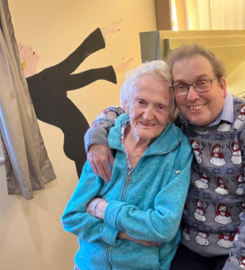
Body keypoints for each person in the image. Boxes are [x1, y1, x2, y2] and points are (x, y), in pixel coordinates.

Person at [85, 43, 245, 270]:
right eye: (181, 86)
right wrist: (96, 135)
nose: (191, 95)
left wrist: (238, 264)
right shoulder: (178, 115)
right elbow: (125, 110)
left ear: (222, 84)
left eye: (202, 83)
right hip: (193, 242)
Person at [62, 61, 192, 270]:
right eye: (141, 102)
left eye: (160, 107)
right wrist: (122, 233)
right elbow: (72, 217)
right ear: (127, 104)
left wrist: (102, 208)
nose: (148, 115)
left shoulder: (178, 152)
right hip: (89, 265)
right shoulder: (105, 146)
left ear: (170, 114)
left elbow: (163, 228)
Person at [19, 20, 132, 177]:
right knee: (92, 184)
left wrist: (109, 69)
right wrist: (101, 34)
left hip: (77, 141)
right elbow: (71, 63)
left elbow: (72, 79)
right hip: (79, 142)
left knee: (90, 184)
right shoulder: (40, 82)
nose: (29, 46)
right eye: (21, 47)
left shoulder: (35, 86)